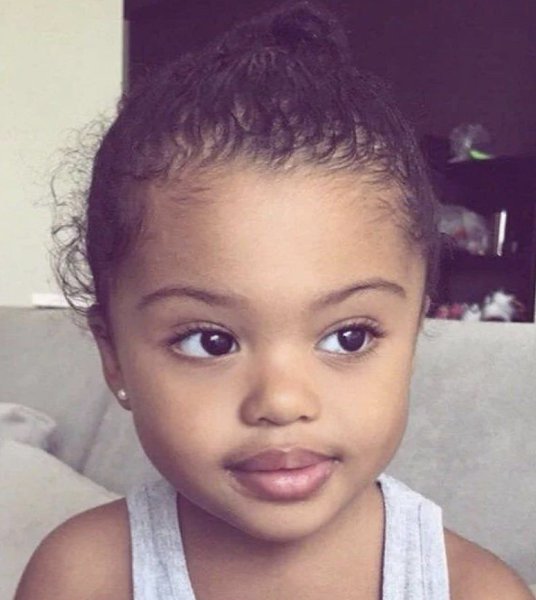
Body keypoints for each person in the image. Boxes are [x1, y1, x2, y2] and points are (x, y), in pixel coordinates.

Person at [14, 2, 533, 599]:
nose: (283, 402)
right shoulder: (83, 578)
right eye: (210, 341)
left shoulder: (475, 590)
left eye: (349, 336)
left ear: (413, 337)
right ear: (114, 358)